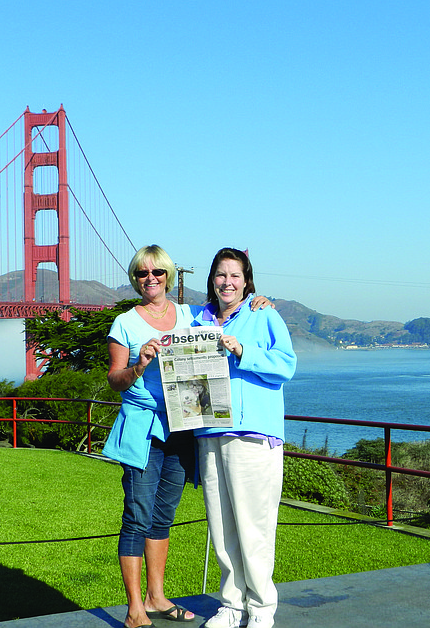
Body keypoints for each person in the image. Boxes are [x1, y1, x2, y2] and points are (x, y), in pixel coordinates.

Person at [104, 245, 273, 628]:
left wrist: (257, 300)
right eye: (144, 274)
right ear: (135, 278)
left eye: (159, 273)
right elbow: (115, 381)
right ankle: (134, 610)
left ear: (170, 276)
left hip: (182, 427)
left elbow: (227, 312)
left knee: (163, 517)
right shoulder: (125, 323)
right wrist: (138, 365)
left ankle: (156, 598)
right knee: (137, 517)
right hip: (143, 431)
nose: (152, 279)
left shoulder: (190, 315)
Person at [193, 248, 296, 628]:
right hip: (209, 431)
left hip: (252, 435)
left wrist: (242, 349)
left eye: (235, 275)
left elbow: (286, 365)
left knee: (254, 527)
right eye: (221, 275)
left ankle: (261, 609)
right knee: (222, 529)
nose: (227, 282)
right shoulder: (198, 318)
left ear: (247, 280)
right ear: (212, 279)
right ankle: (231, 606)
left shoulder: (262, 313)